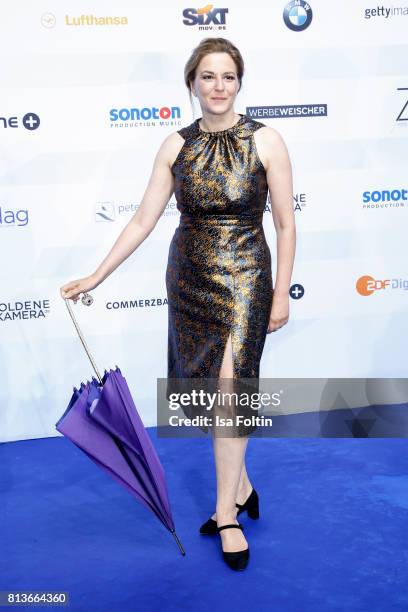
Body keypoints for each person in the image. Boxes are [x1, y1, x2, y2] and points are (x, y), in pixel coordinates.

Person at [60, 37, 296, 571]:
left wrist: (281, 292)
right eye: (208, 76)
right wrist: (96, 275)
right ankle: (242, 484)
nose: (219, 86)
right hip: (189, 277)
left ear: (240, 82)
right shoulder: (175, 145)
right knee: (210, 397)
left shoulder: (267, 142)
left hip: (246, 279)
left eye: (228, 76)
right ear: (193, 82)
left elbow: (284, 222)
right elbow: (144, 219)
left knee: (232, 391)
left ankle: (225, 515)